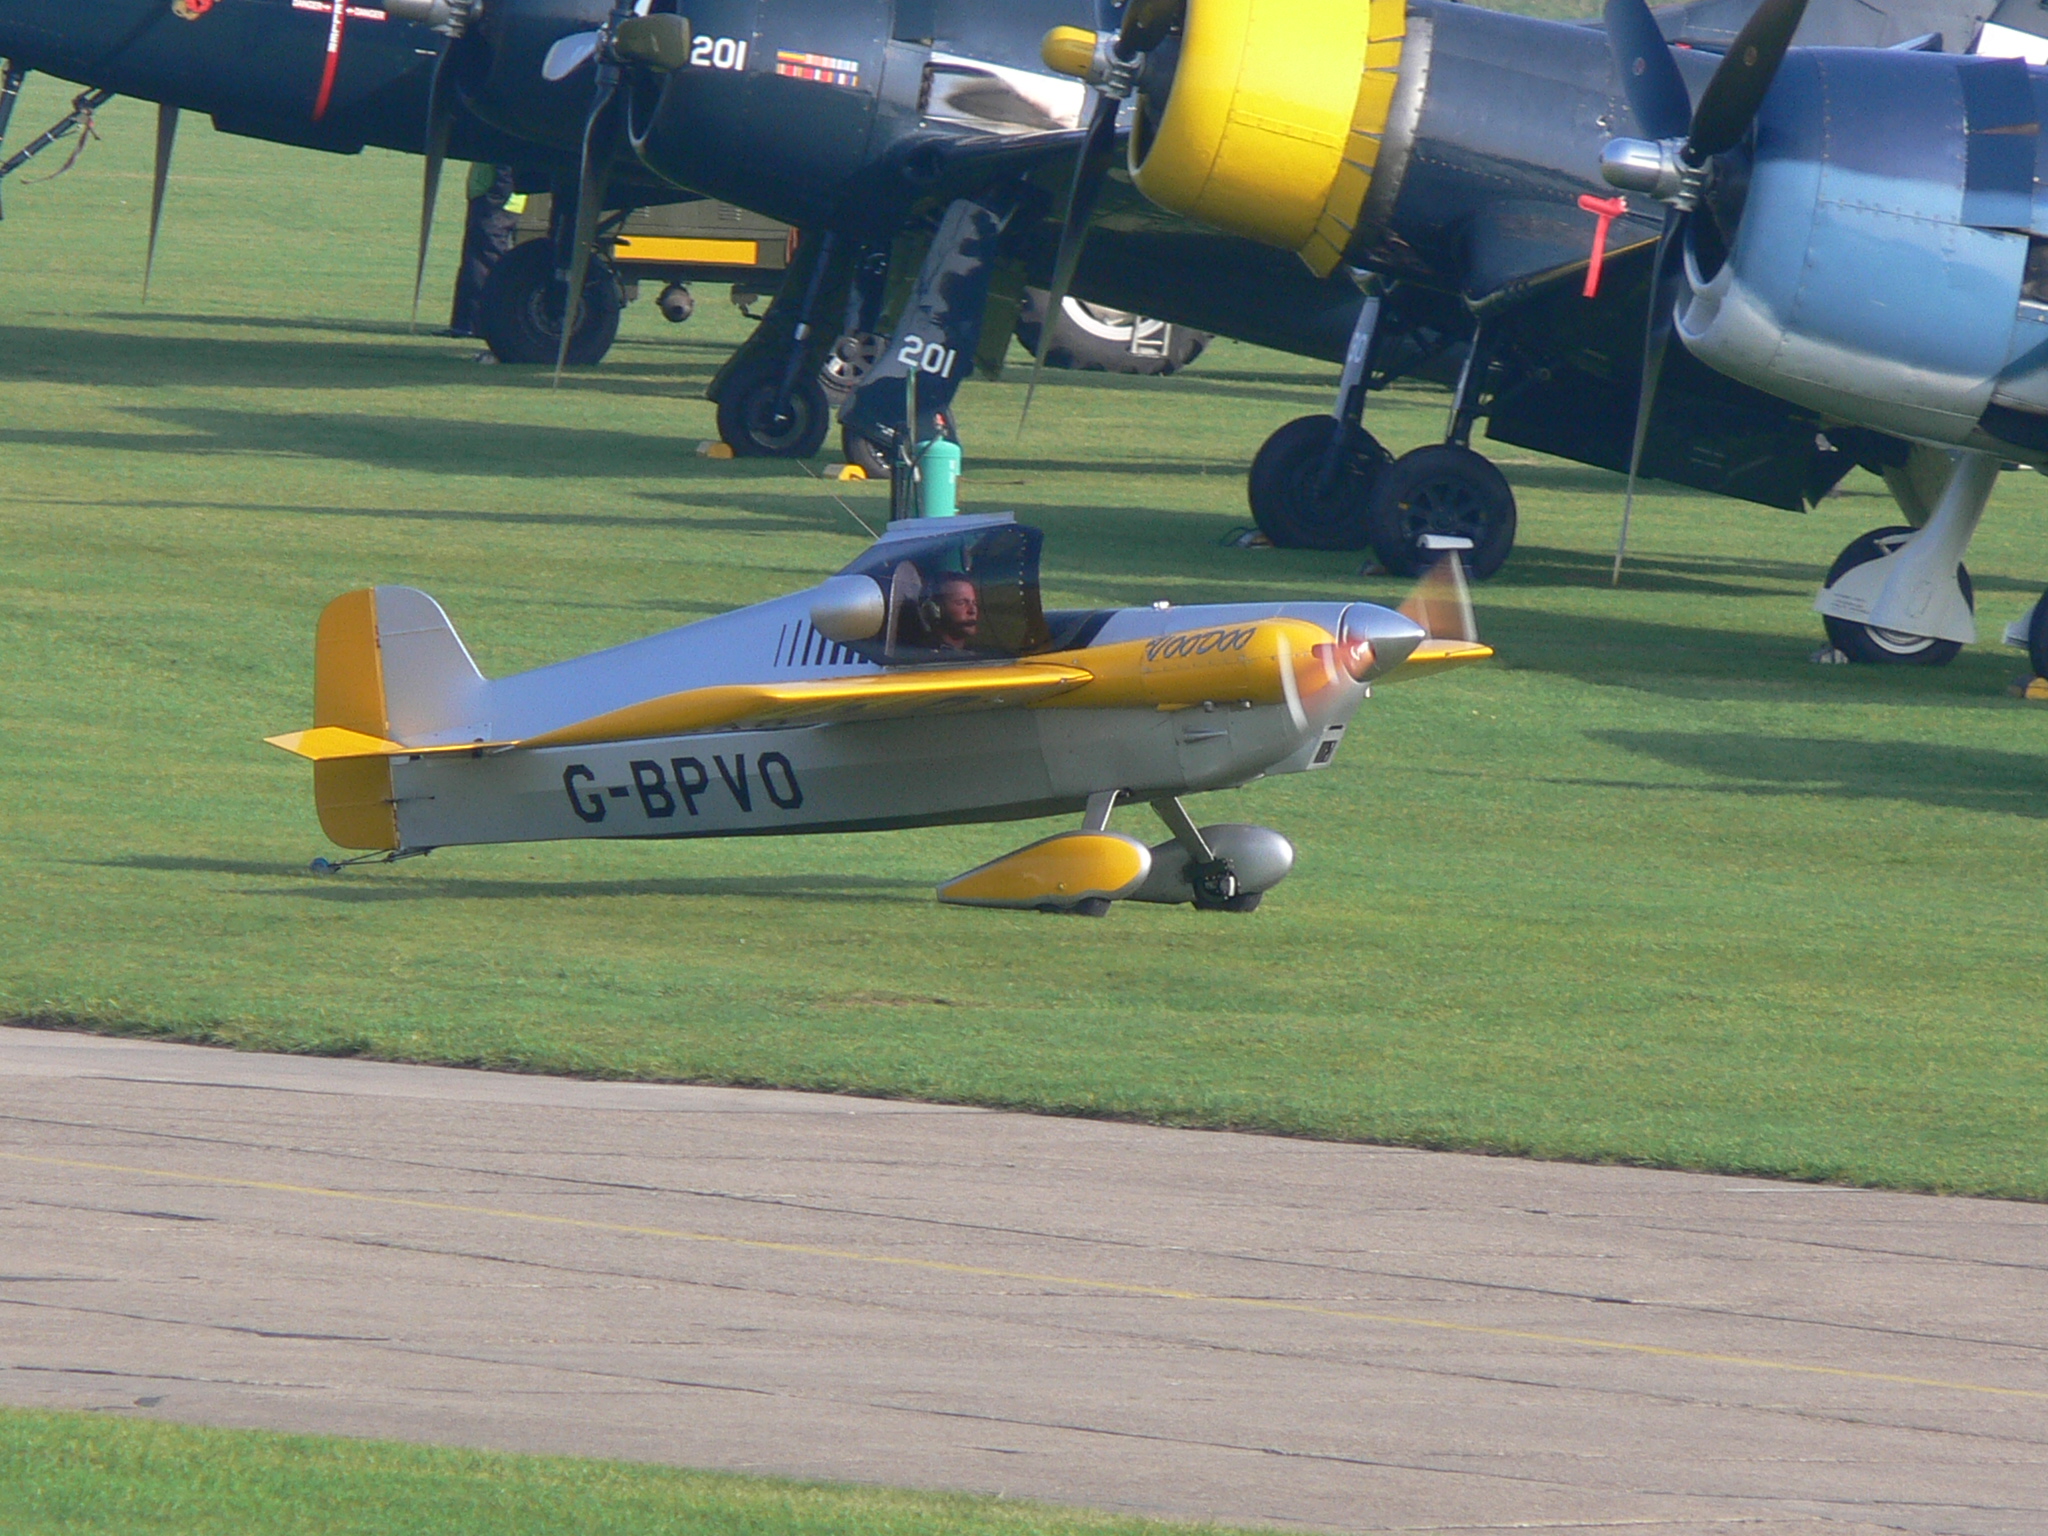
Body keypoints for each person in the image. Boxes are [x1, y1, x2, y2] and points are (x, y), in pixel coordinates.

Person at [446, 163, 523, 339]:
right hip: (494, 198)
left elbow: (506, 165)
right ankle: (466, 323)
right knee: (476, 258)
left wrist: (494, 196)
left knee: (483, 260)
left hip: (495, 200)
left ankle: (476, 323)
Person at [929, 573, 980, 650]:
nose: (973, 610)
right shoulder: (922, 654)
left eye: (974, 603)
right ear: (936, 609)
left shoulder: (982, 653)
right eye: (961, 603)